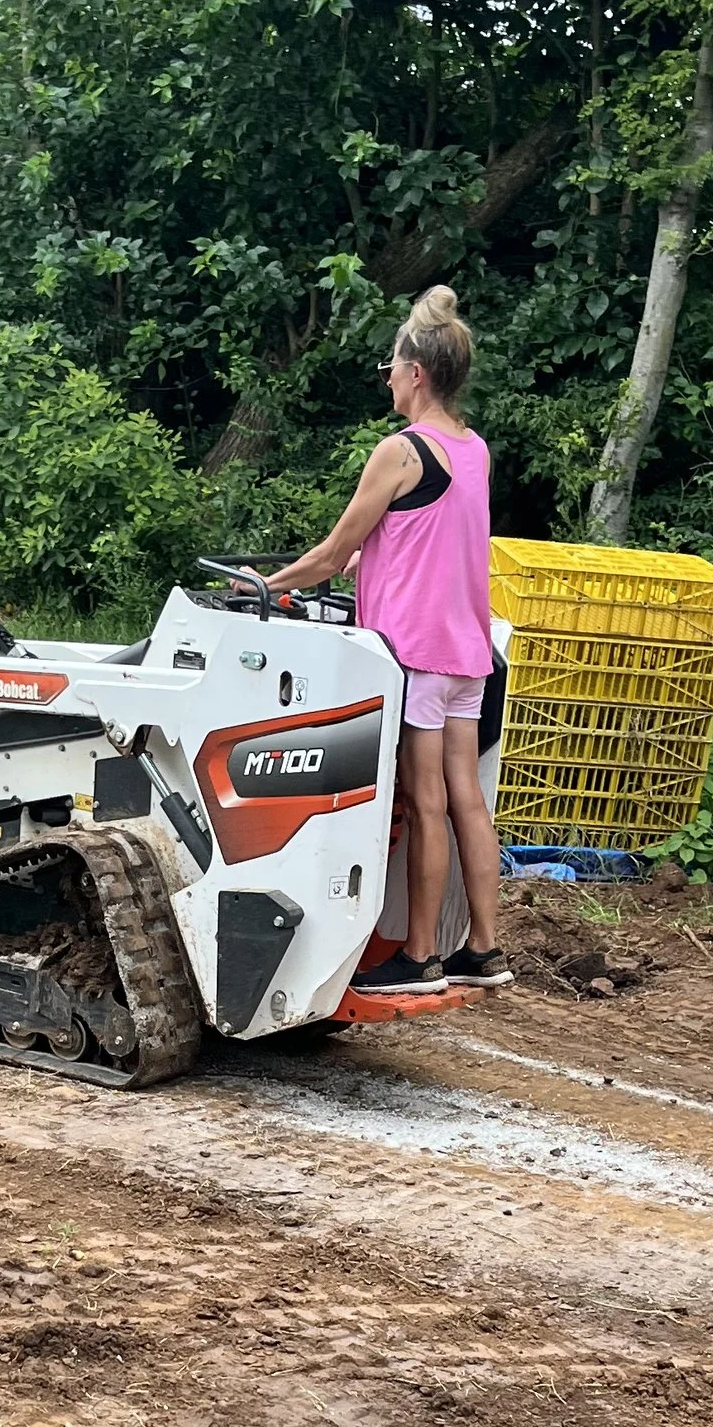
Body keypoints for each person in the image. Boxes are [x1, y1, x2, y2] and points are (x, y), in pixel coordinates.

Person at [263, 284, 509, 996]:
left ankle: (423, 952)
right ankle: (485, 947)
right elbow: (422, 543)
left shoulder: (401, 452)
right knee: (467, 798)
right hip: (467, 653)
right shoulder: (474, 450)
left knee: (427, 802)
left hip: (418, 656)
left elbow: (334, 555)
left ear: (417, 373)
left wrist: (264, 585)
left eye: (392, 367)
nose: (389, 378)